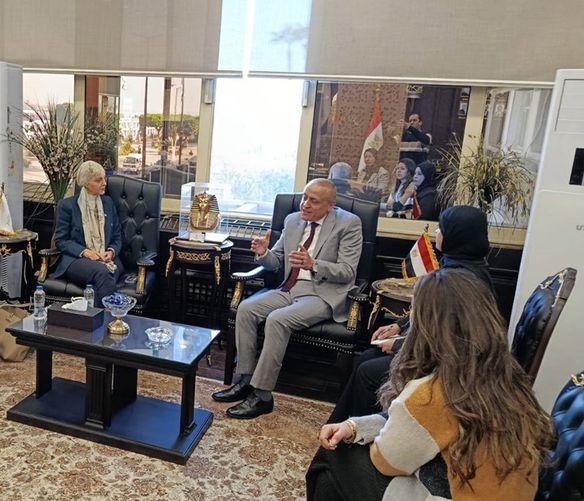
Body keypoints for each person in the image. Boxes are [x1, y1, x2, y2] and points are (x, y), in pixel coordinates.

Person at [308, 269, 554, 501]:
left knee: (333, 456)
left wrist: (360, 436)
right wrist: (355, 427)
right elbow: (419, 427)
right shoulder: (504, 374)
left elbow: (387, 460)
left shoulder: (435, 392)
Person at [326, 205, 494, 424]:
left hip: (449, 367)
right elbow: (432, 316)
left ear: (455, 236)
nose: (436, 233)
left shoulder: (458, 281)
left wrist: (397, 345)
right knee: (366, 357)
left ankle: (365, 432)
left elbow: (448, 338)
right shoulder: (466, 267)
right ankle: (350, 426)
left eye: (441, 229)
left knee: (368, 372)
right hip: (438, 354)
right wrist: (399, 325)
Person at [212, 179, 362, 419]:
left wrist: (314, 264)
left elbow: (348, 271)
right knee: (246, 309)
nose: (305, 204)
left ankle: (262, 396)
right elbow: (276, 262)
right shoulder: (293, 220)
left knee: (277, 320)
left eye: (314, 201)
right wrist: (263, 253)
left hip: (321, 293)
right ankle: (245, 380)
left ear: (330, 206)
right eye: (305, 197)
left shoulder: (349, 224)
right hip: (289, 288)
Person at [50, 160, 122, 307]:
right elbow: (61, 240)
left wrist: (111, 252)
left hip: (108, 259)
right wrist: (86, 252)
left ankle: (90, 317)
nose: (104, 183)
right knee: (103, 273)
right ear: (86, 183)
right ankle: (111, 317)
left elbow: (117, 236)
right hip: (77, 259)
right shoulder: (67, 205)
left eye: (104, 178)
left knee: (100, 282)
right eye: (98, 180)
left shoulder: (108, 203)